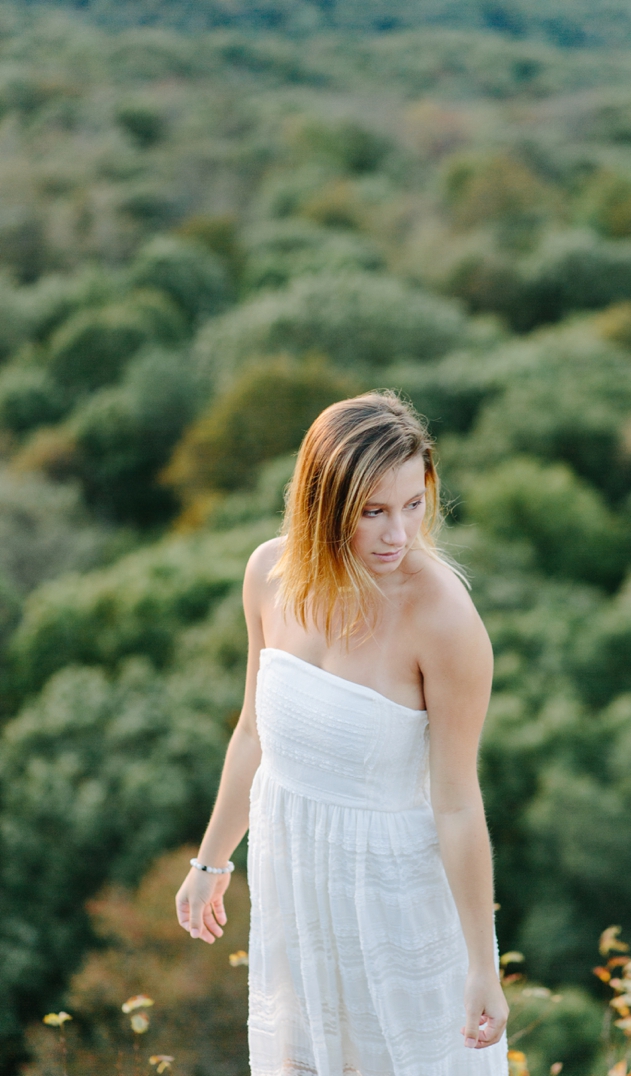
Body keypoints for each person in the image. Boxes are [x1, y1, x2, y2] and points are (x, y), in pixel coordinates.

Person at [174, 392, 509, 1074]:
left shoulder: (444, 619)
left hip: (393, 897)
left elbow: (456, 801)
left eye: (415, 504)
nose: (399, 534)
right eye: (373, 512)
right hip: (293, 878)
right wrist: (210, 863)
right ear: (323, 505)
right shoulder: (268, 574)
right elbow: (252, 734)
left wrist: (483, 965)